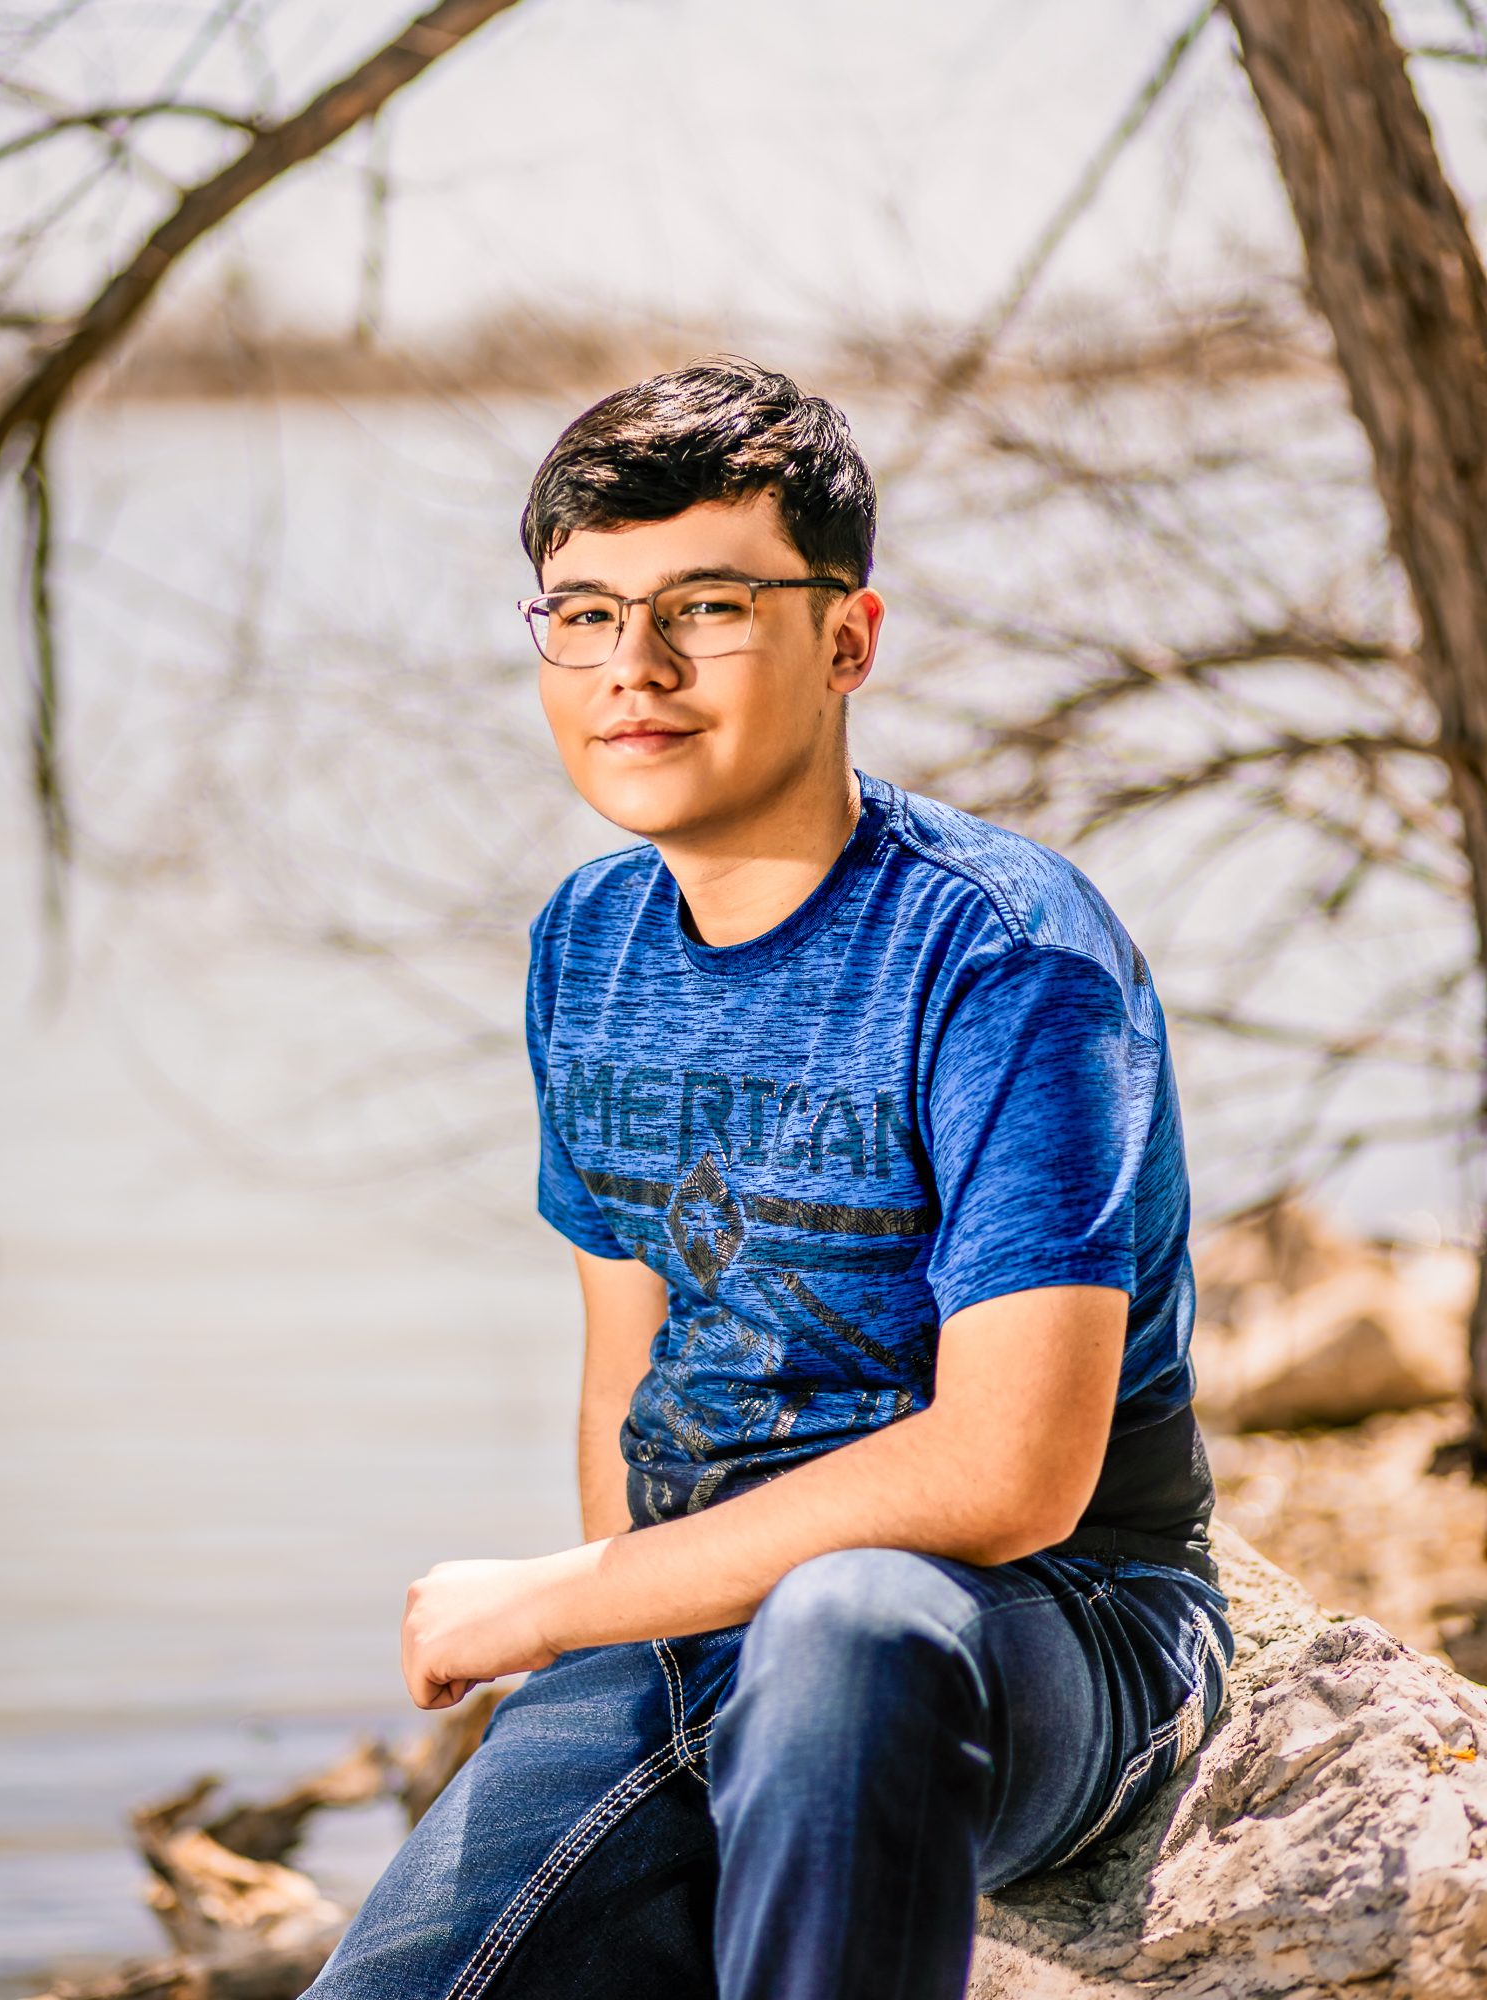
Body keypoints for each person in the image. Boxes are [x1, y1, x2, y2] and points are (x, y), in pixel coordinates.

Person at [309, 358, 1231, 2000]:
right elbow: (631, 1369)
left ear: (847, 640)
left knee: (845, 1631)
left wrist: (550, 1602)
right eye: (582, 615)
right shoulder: (586, 943)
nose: (632, 669)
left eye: (706, 607)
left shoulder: (1006, 956)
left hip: (1033, 1631)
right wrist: (616, 1622)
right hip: (695, 1632)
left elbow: (1014, 1474)